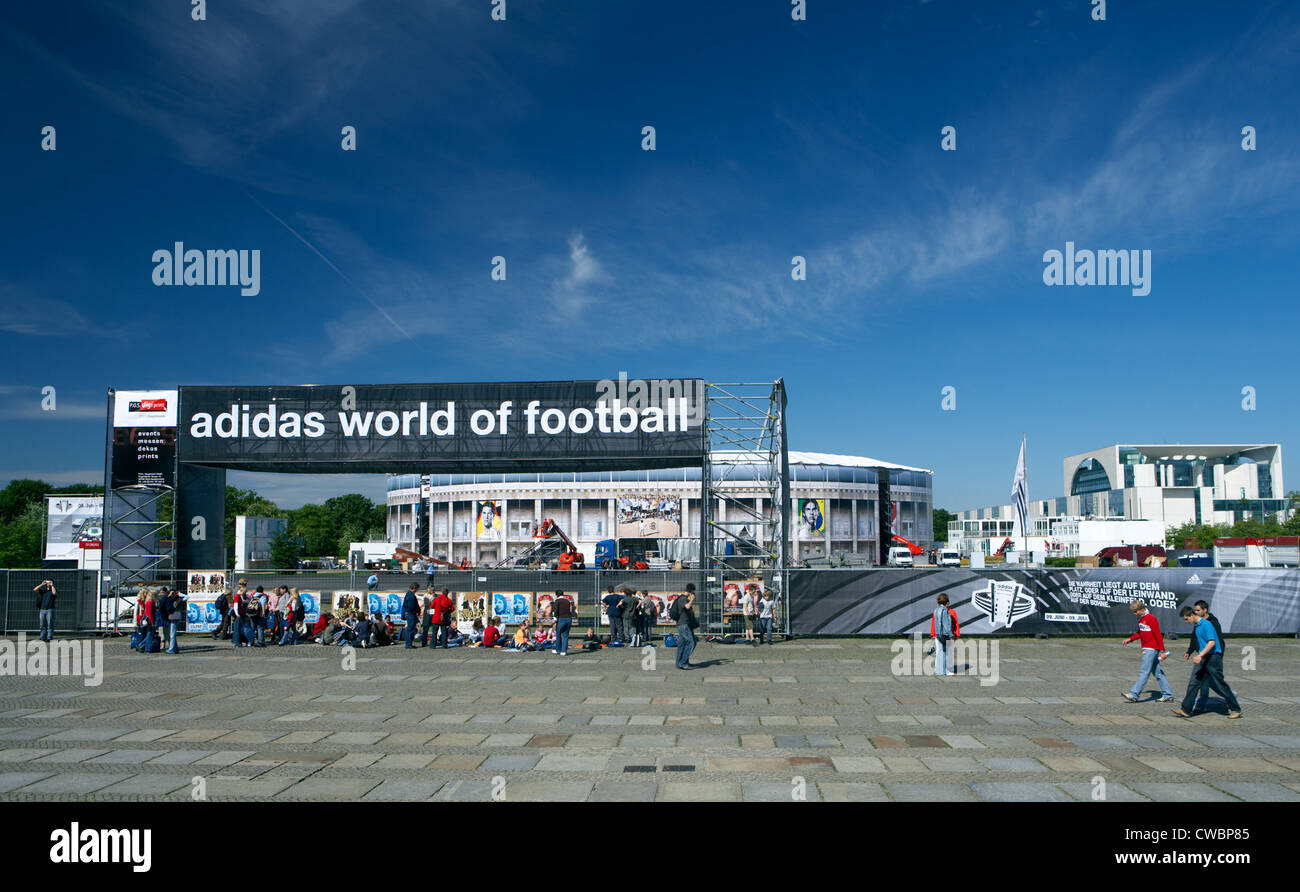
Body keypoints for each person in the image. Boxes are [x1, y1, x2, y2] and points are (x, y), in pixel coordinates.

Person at [1172, 606, 1242, 719]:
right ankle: (1186, 709)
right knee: (1193, 683)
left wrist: (1200, 655)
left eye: (1186, 619)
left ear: (1192, 615)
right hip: (1203, 658)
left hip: (1213, 658)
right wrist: (1192, 652)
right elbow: (1197, 641)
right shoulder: (1197, 626)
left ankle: (1235, 709)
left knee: (1219, 685)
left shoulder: (1207, 624)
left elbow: (1212, 643)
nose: (1186, 622)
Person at [1121, 598, 1173, 702]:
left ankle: (1134, 694)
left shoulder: (1151, 619)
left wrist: (1162, 651)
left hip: (1150, 649)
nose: (1134, 614)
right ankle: (1167, 695)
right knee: (1158, 673)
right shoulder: (1142, 619)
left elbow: (1158, 635)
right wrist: (1130, 639)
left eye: (1135, 611)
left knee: (1144, 672)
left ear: (1141, 609)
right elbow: (1140, 633)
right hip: (1150, 649)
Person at [1184, 600, 1227, 713]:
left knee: (1215, 682)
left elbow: (1217, 641)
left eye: (1198, 610)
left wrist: (1218, 655)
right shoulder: (1198, 622)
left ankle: (1230, 697)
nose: (1196, 612)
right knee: (1199, 681)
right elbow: (1194, 638)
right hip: (1202, 656)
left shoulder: (1212, 622)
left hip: (1212, 656)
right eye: (1195, 610)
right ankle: (1194, 706)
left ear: (1205, 610)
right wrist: (1190, 650)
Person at [930, 593, 959, 676]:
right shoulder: (945, 611)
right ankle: (945, 671)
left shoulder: (936, 610)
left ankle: (939, 670)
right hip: (944, 634)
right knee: (944, 653)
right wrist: (951, 635)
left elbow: (935, 623)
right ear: (947, 602)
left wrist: (934, 634)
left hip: (938, 634)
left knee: (940, 653)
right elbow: (946, 625)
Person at [671, 584, 699, 669]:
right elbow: (687, 606)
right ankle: (683, 662)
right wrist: (691, 600)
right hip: (683, 624)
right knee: (692, 642)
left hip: (684, 624)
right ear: (690, 592)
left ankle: (680, 663)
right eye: (693, 592)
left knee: (682, 644)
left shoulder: (684, 599)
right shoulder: (683, 599)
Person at [164, 588, 186, 654]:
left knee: (172, 634)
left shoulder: (177, 599)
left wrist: (178, 594)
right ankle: (174, 648)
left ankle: (171, 649)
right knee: (172, 633)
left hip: (174, 616)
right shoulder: (173, 599)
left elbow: (187, 597)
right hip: (174, 616)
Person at [552, 590, 573, 656]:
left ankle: (558, 650)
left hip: (561, 619)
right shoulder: (567, 601)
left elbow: (556, 611)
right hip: (569, 619)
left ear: (556, 595)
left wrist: (555, 620)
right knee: (565, 635)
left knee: (558, 634)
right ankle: (564, 651)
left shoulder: (557, 601)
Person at [402, 583, 421, 649]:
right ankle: (408, 644)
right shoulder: (411, 596)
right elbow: (412, 606)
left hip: (408, 613)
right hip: (411, 613)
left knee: (410, 629)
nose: (417, 590)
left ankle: (409, 643)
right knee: (410, 629)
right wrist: (417, 610)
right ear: (414, 588)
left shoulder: (408, 594)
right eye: (417, 589)